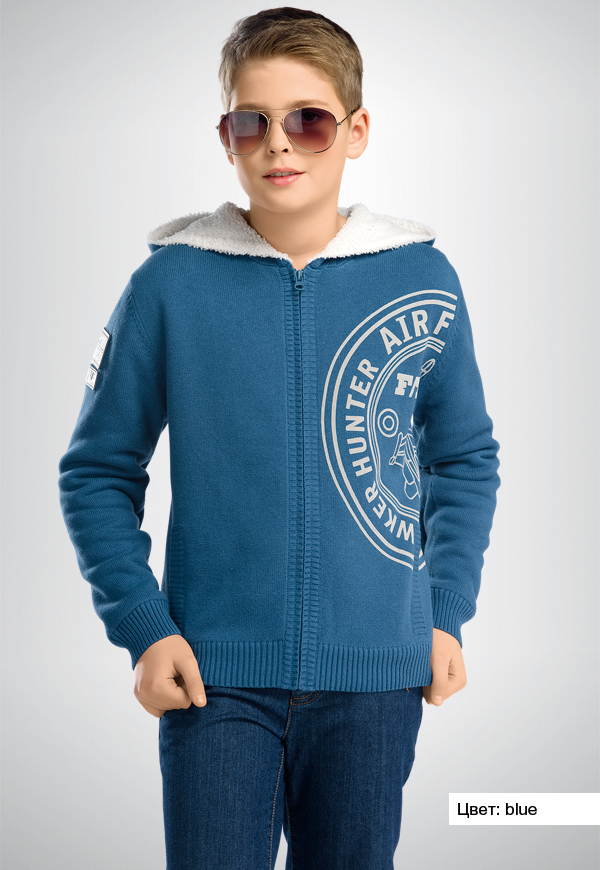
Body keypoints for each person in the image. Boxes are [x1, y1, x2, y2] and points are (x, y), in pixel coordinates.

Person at [57, 7, 500, 869]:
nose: (279, 145)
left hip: (377, 680)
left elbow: (464, 457)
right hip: (213, 680)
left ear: (356, 131)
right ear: (225, 137)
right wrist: (145, 626)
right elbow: (98, 471)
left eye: (309, 120)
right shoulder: (169, 286)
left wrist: (445, 611)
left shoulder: (422, 277)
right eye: (250, 123)